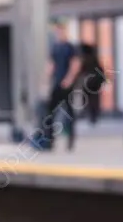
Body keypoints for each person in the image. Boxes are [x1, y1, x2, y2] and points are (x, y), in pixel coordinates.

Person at [42, 20, 81, 151]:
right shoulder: (55, 47)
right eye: (57, 31)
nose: (59, 33)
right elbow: (51, 64)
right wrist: (46, 80)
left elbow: (75, 64)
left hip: (67, 85)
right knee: (50, 111)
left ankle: (71, 140)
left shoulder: (70, 47)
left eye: (61, 30)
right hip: (57, 83)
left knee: (69, 112)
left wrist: (69, 79)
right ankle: (49, 139)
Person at [77, 42, 104, 125]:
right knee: (94, 100)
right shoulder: (94, 59)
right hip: (95, 82)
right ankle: (93, 116)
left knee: (87, 99)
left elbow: (81, 71)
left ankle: (89, 115)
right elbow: (100, 70)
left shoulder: (85, 59)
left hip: (89, 83)